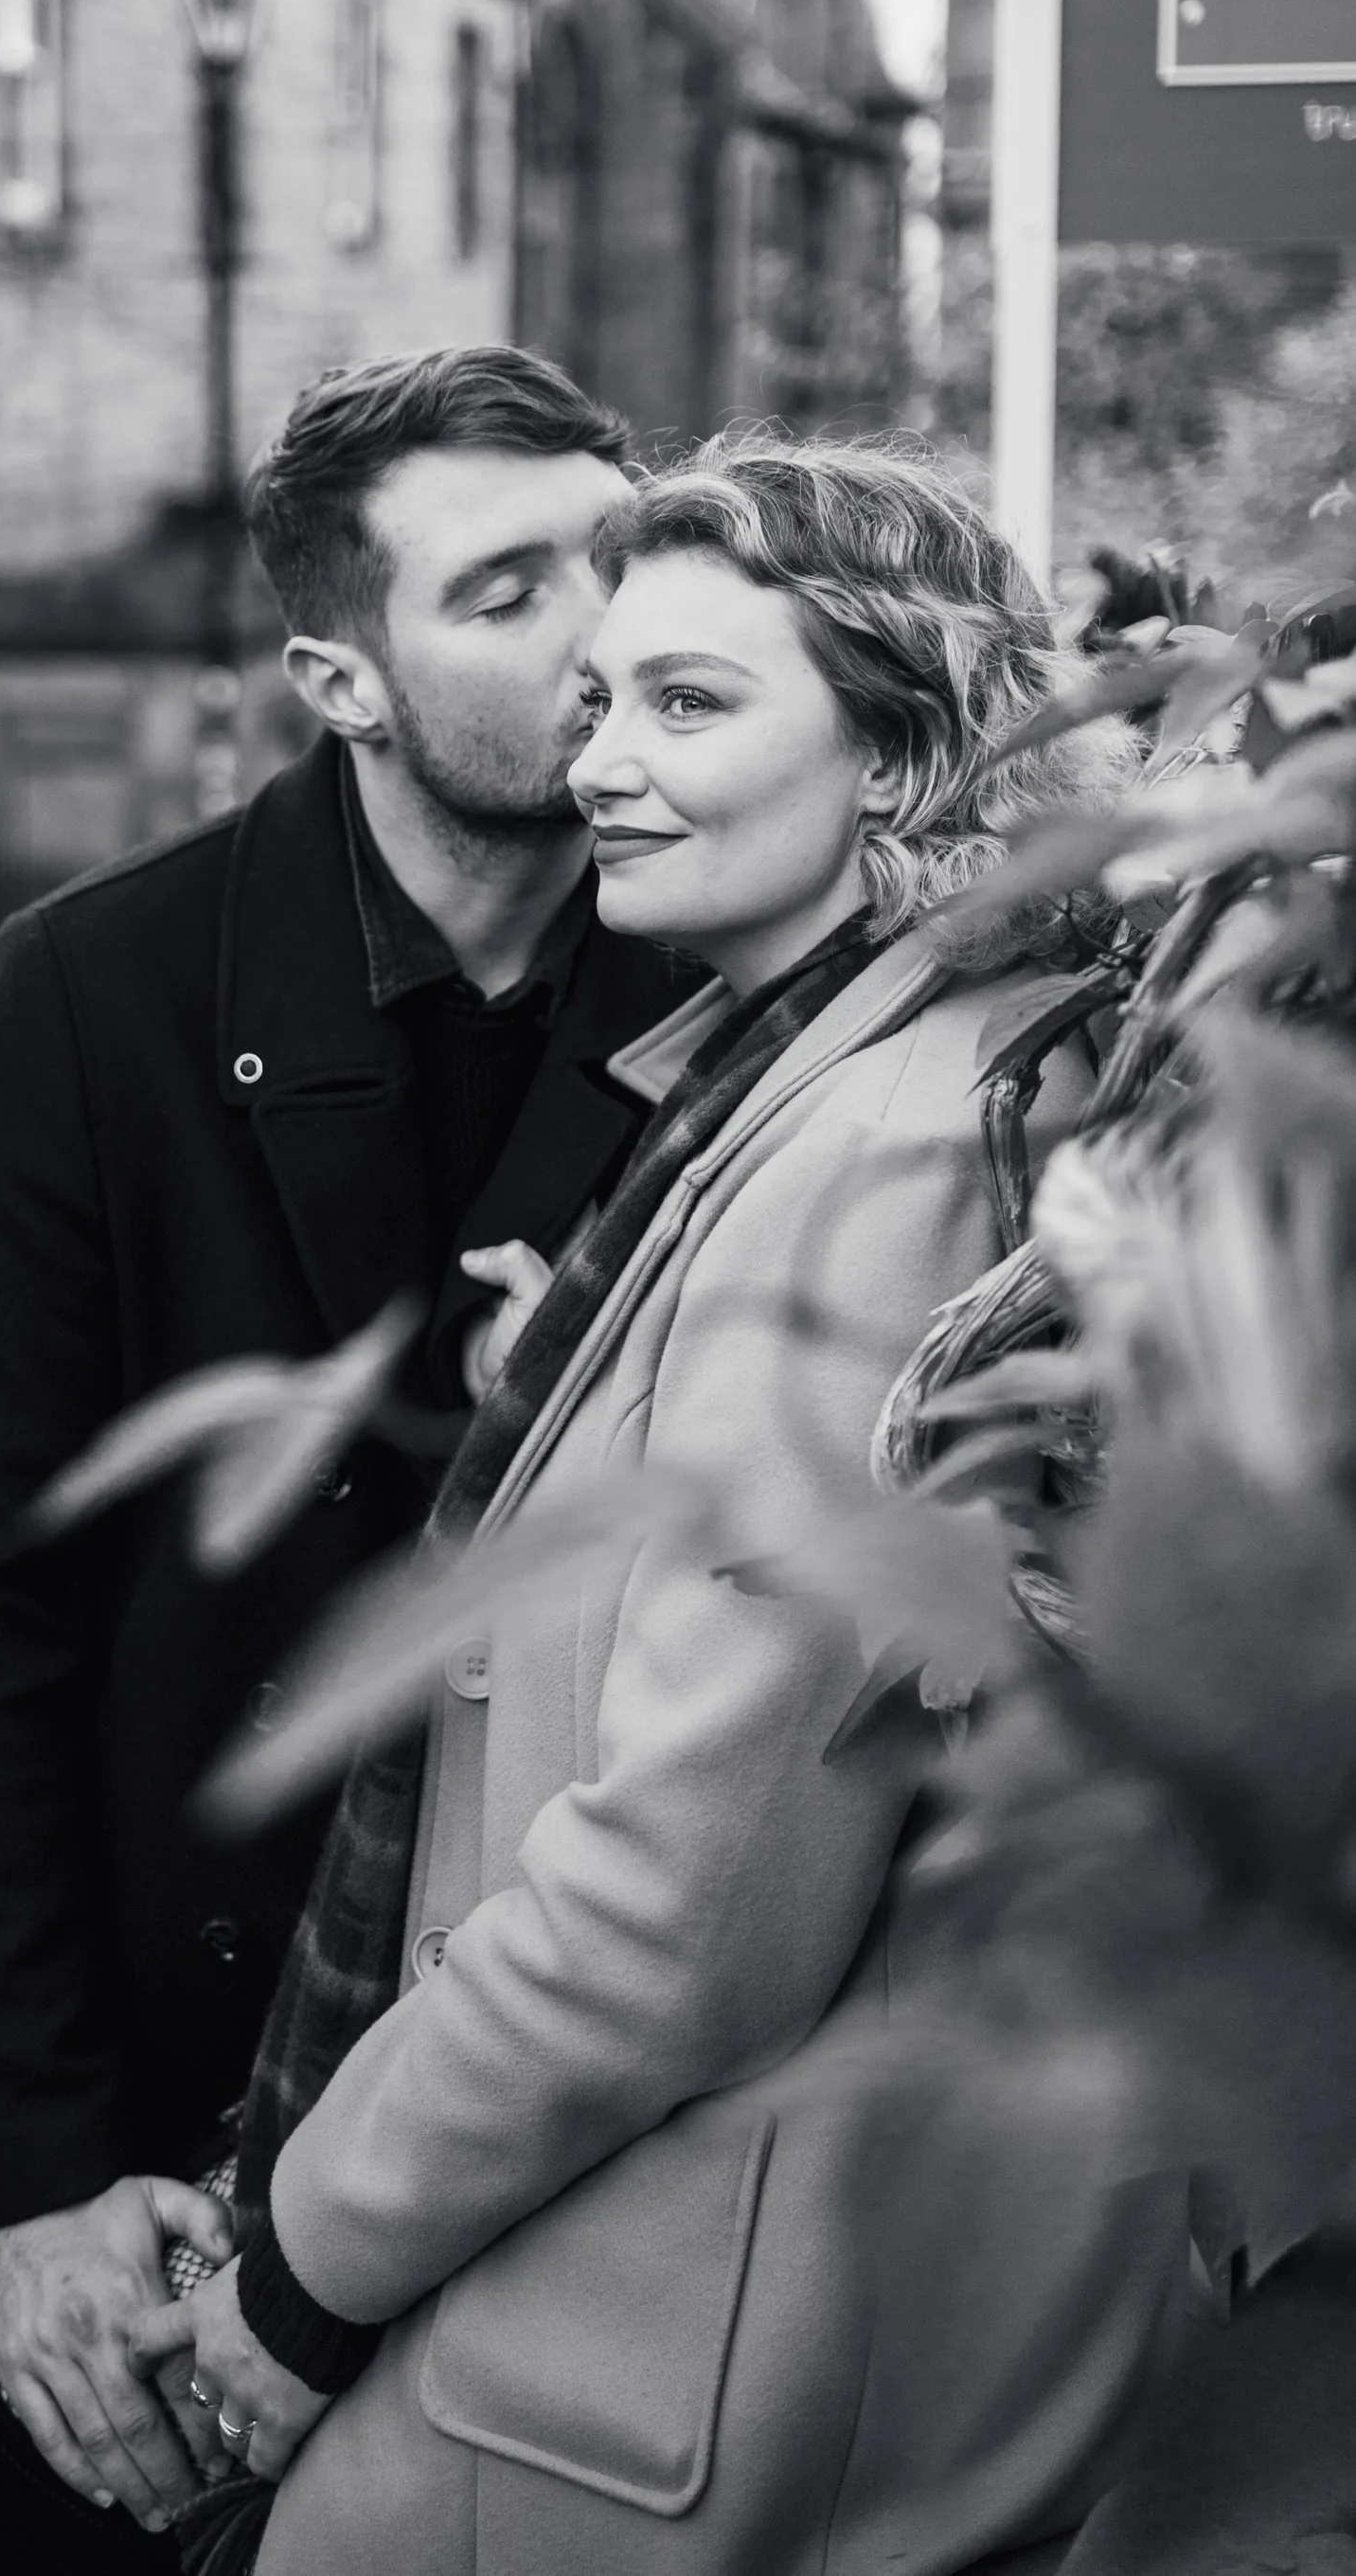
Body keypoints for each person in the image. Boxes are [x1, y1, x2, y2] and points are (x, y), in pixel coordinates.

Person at [124, 438, 1186, 2576]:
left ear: (898, 758)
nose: (601, 755)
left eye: (691, 704)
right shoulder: (800, 1069)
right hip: (633, 2261)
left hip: (642, 2333)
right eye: (601, 696)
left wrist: (290, 2288)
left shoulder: (884, 1153)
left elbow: (682, 1909)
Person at [0, 347, 687, 2571]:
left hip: (522, 2089)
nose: (604, 629)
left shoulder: (749, 983)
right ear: (340, 674)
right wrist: (27, 2173)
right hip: (134, 2049)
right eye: (508, 591)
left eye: (622, 555)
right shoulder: (93, 992)